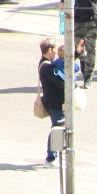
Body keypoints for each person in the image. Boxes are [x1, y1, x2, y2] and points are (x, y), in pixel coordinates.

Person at [38, 39, 68, 167]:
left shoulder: (47, 64)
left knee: (58, 128)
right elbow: (61, 82)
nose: (56, 52)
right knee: (57, 128)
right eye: (55, 49)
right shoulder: (47, 67)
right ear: (49, 50)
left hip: (53, 102)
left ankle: (54, 157)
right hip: (54, 103)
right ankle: (51, 158)